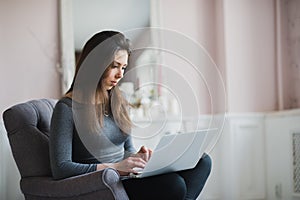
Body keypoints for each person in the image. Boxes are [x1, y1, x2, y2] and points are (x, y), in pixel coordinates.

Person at [49, 30, 212, 200]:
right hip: (104, 182)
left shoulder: (118, 101)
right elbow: (61, 168)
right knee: (174, 185)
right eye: (114, 66)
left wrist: (137, 157)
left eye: (123, 67)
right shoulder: (67, 108)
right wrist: (115, 167)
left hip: (127, 175)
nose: (120, 74)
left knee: (202, 161)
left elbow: (127, 149)